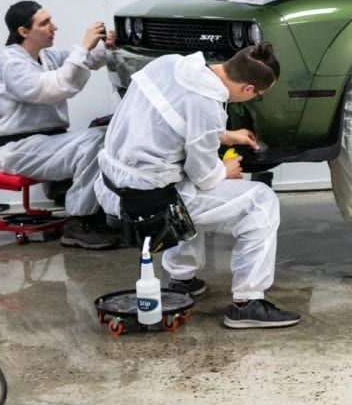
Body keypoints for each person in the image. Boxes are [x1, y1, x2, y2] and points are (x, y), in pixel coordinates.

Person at [95, 43, 299, 329]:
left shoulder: (169, 64)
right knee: (260, 199)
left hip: (109, 183)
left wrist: (223, 136)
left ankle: (182, 281)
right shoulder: (208, 105)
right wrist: (225, 170)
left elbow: (166, 121)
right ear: (249, 90)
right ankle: (248, 302)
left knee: (187, 184)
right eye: (259, 96)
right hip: (148, 202)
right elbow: (204, 175)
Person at [0, 1, 122, 250]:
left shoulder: (46, 55)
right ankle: (78, 223)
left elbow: (84, 61)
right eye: (45, 23)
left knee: (109, 131)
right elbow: (52, 88)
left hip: (47, 142)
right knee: (97, 139)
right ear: (23, 31)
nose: (54, 27)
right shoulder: (10, 62)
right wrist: (84, 45)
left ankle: (93, 216)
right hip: (20, 148)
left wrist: (105, 46)